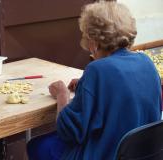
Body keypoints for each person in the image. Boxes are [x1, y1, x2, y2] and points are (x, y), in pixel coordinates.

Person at [27, 1, 162, 160]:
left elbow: (69, 132)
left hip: (103, 154)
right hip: (141, 154)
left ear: (93, 41)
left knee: (36, 146)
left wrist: (62, 95)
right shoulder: (146, 62)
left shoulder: (97, 70)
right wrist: (85, 86)